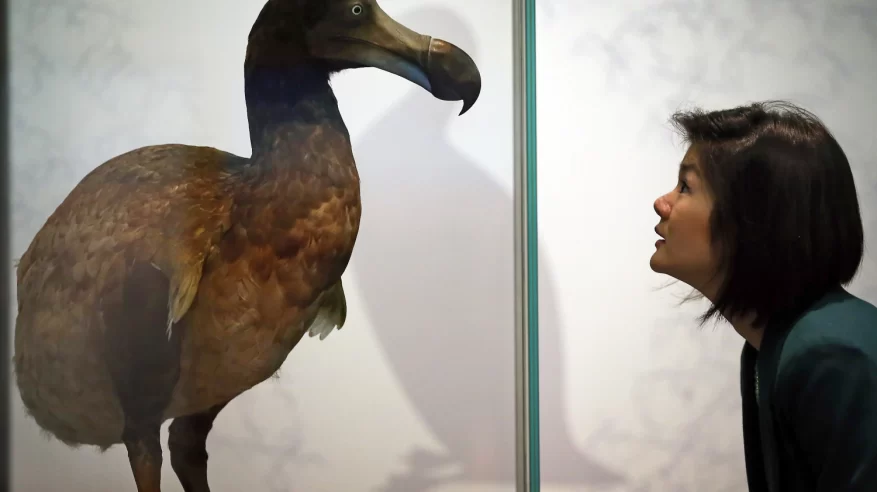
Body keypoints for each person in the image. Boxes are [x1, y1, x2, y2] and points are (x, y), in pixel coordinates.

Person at [649, 100, 877, 491]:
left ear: (752, 218)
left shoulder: (832, 355)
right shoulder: (770, 346)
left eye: (686, 186)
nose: (662, 203)